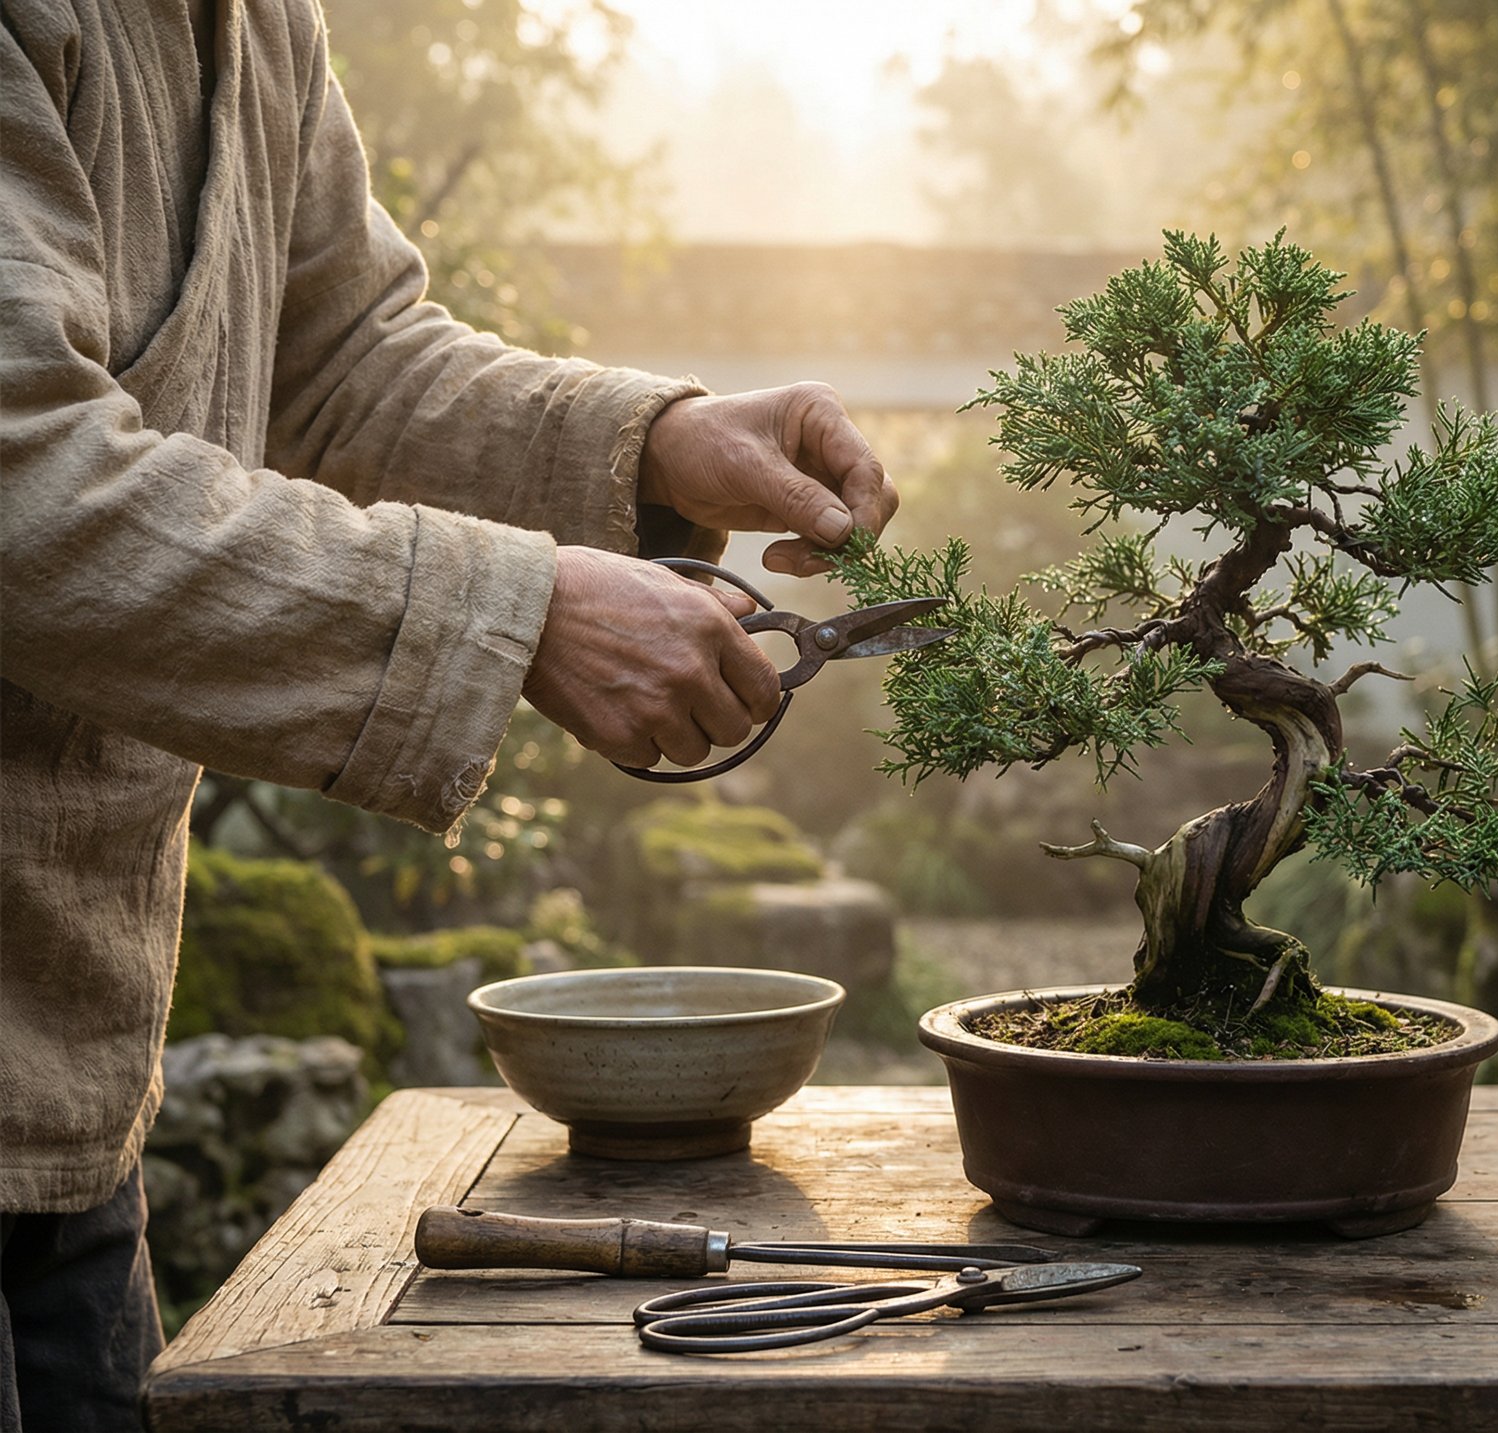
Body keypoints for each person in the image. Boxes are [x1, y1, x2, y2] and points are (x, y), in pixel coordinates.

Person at [0, 2, 898, 1428]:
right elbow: (23, 478)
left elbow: (346, 357)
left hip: (62, 1093)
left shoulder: (251, 23)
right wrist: (520, 609)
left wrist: (654, 445)